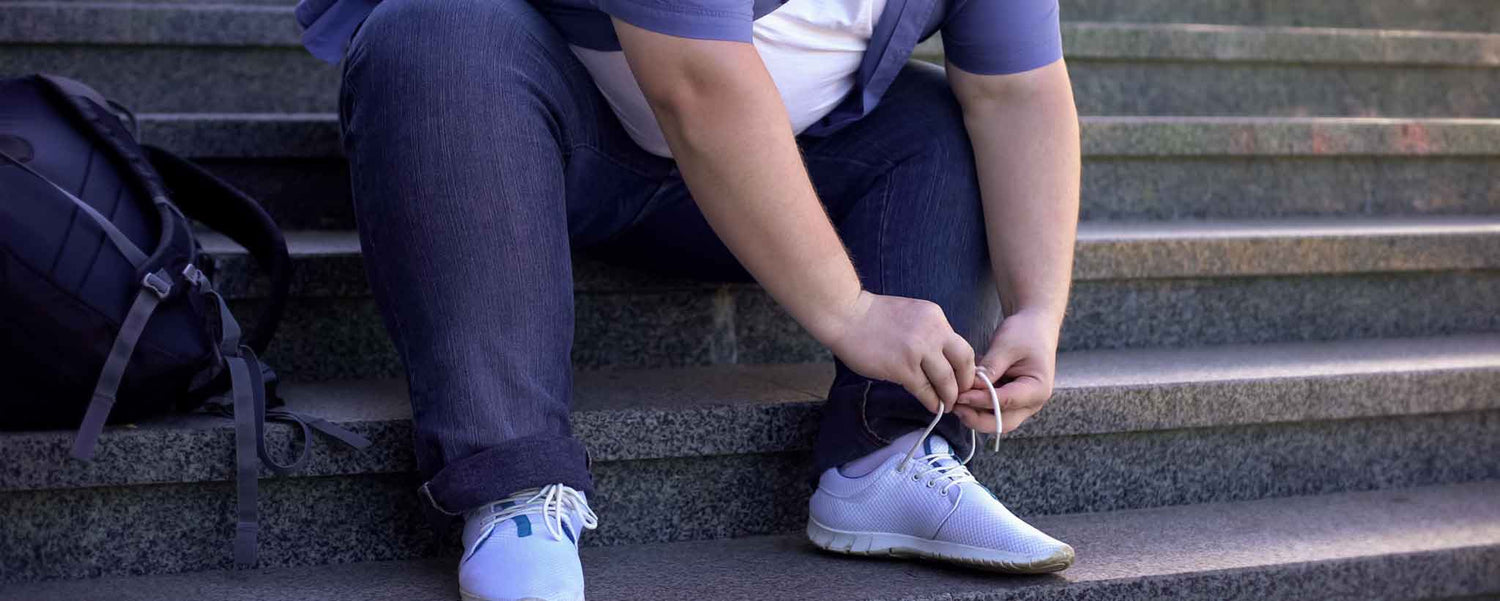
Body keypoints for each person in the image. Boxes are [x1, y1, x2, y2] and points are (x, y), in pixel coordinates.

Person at [294, 0, 1081, 596]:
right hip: (535, 133)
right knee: (434, 28)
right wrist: (852, 311)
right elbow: (692, 79)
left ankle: (887, 450)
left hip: (772, 174)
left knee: (935, 118)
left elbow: (1018, 95)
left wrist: (1037, 310)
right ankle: (513, 481)